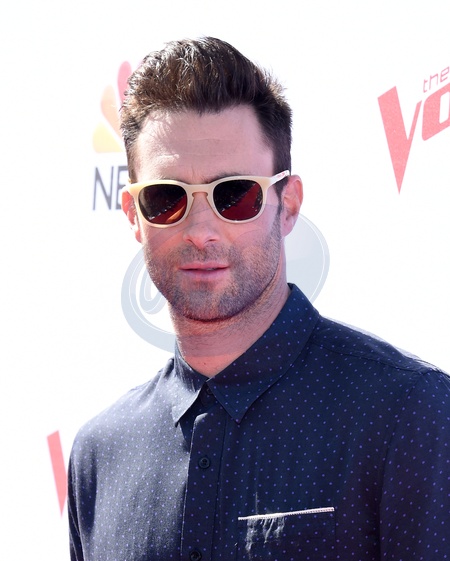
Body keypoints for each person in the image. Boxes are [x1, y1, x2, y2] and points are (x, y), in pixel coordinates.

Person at [68, 37, 450, 560]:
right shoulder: (98, 456)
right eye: (166, 198)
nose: (201, 230)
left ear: (287, 205)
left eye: (234, 194)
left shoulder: (410, 414)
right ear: (135, 216)